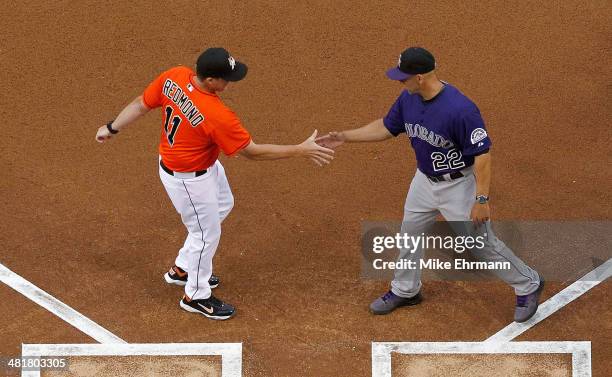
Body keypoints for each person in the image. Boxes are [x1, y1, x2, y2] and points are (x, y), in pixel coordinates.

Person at [95, 47, 334, 320]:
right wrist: (300, 150)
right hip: (188, 179)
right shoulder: (216, 114)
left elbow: (141, 103)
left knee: (223, 204)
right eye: (226, 78)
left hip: (199, 166)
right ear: (210, 80)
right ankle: (195, 296)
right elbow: (252, 152)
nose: (229, 82)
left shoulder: (175, 77)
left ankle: (183, 268)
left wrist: (112, 127)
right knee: (206, 235)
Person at [316, 47, 543, 322]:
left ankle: (527, 283)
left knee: (480, 243)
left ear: (420, 77)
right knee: (410, 232)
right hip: (423, 180)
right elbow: (386, 127)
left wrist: (481, 199)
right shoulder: (409, 98)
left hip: (458, 186)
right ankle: (406, 289)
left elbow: (483, 154)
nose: (400, 82)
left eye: (403, 77)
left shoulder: (460, 109)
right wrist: (345, 136)